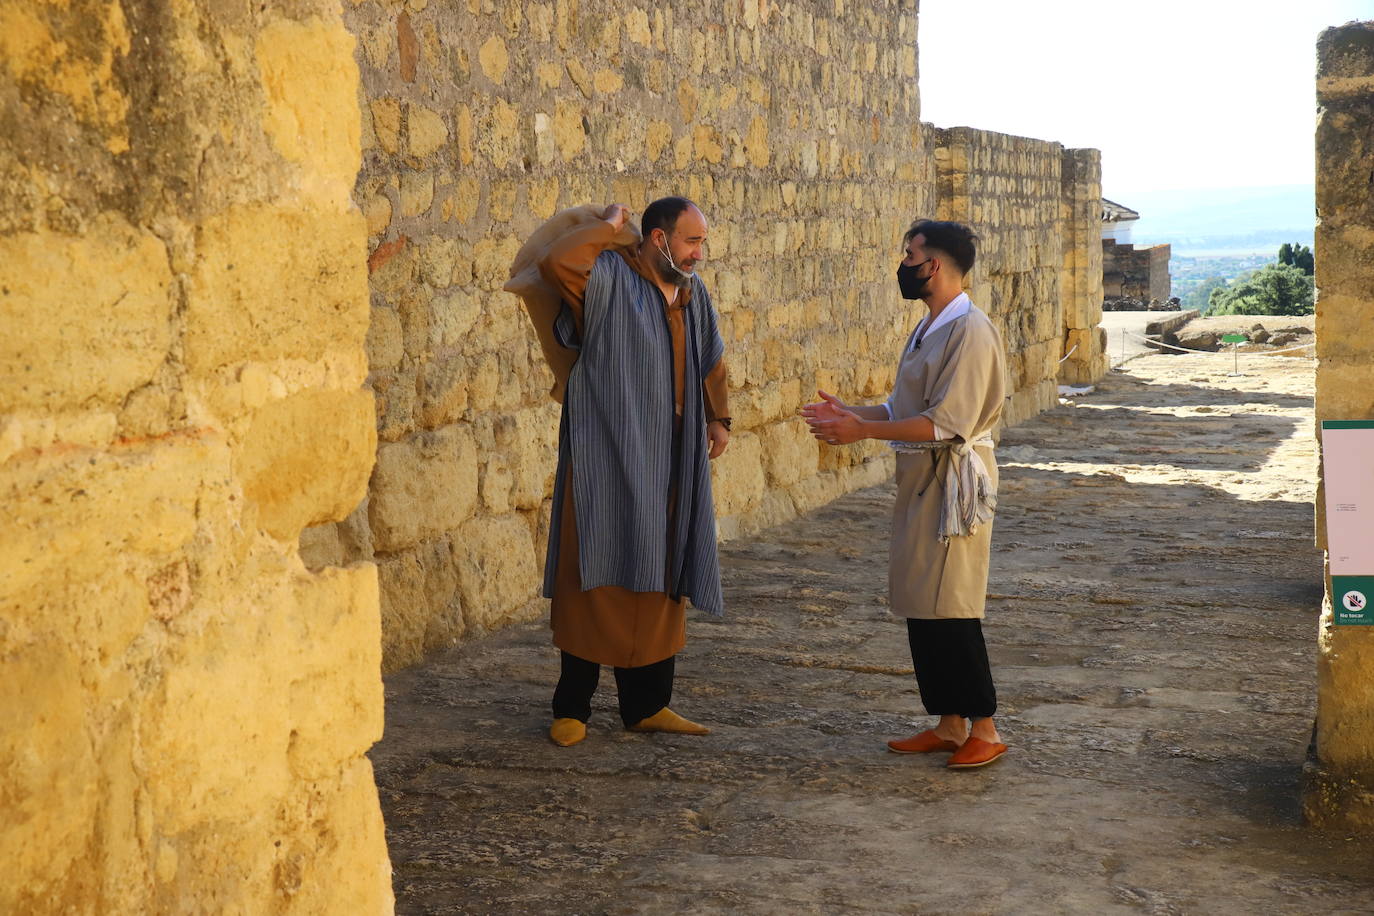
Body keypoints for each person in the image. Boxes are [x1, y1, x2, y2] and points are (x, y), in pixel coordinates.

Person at [802, 219, 1009, 769]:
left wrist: (862, 431)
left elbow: (947, 424)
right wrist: (851, 414)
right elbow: (902, 410)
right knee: (923, 600)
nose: (904, 263)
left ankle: (984, 727)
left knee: (953, 604)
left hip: (954, 481)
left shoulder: (971, 331)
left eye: (910, 254)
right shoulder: (930, 326)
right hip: (922, 480)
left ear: (933, 265)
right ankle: (948, 723)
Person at [535, 198, 731, 747]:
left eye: (701, 242)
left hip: (673, 454)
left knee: (662, 573)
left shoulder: (693, 293)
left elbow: (711, 359)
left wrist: (719, 418)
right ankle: (572, 706)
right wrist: (607, 229)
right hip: (607, 450)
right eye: (691, 241)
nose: (698, 253)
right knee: (592, 570)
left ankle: (647, 705)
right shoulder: (606, 279)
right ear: (659, 238)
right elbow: (557, 264)